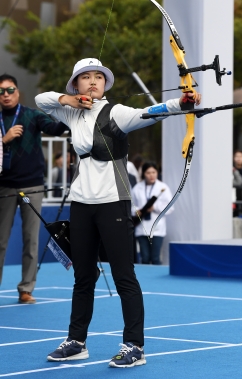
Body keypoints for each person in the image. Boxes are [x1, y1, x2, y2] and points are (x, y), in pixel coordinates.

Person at [35, 58, 201, 367]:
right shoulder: (71, 113)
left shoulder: (117, 113)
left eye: (98, 76)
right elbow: (40, 100)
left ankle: (134, 346)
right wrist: (69, 100)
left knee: (124, 275)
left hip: (113, 202)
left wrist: (182, 102)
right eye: (86, 77)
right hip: (81, 205)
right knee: (83, 276)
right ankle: (77, 341)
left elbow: (149, 113)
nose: (93, 81)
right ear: (76, 85)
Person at [0, 73, 68, 304]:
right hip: (5, 186)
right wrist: (3, 140)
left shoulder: (32, 115)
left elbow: (56, 128)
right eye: (1, 91)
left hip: (32, 186)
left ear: (18, 92)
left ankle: (26, 289)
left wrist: (71, 109)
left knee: (31, 239)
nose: (6, 95)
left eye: (10, 90)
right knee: (0, 240)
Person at [131, 161, 174, 265]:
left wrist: (155, 207)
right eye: (148, 173)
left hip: (157, 228)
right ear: (143, 174)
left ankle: (158, 281)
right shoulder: (137, 188)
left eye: (153, 172)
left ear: (157, 173)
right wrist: (136, 211)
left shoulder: (163, 187)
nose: (151, 175)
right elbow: (132, 204)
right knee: (145, 258)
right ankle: (144, 280)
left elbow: (170, 207)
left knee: (155, 258)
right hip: (141, 227)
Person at [232, 150, 242, 216]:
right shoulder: (230, 171)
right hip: (232, 198)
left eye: (241, 156)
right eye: (236, 156)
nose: (239, 158)